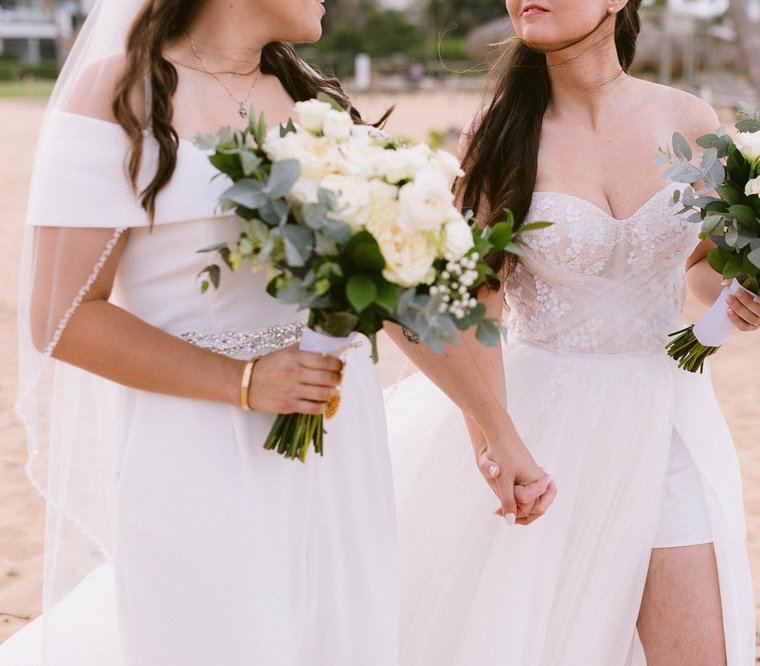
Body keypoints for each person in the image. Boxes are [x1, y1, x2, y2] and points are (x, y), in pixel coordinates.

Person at [2, 0, 551, 663]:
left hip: (339, 449)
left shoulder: (314, 103)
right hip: (197, 452)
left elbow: (391, 301)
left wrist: (496, 429)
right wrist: (244, 381)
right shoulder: (122, 94)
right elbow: (61, 318)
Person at [386, 1, 760, 664]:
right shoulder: (500, 134)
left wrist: (747, 295)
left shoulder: (690, 120)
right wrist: (492, 445)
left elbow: (702, 263)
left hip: (671, 421)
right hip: (543, 433)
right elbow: (477, 310)